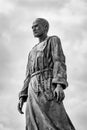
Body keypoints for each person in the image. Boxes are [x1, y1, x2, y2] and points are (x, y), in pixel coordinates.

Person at [18, 18, 75, 130]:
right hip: (32, 90)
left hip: (47, 85)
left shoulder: (53, 40)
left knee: (57, 121)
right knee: (33, 124)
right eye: (32, 27)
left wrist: (59, 85)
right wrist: (22, 96)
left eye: (36, 26)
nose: (34, 29)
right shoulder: (32, 51)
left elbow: (59, 61)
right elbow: (28, 75)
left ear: (46, 27)